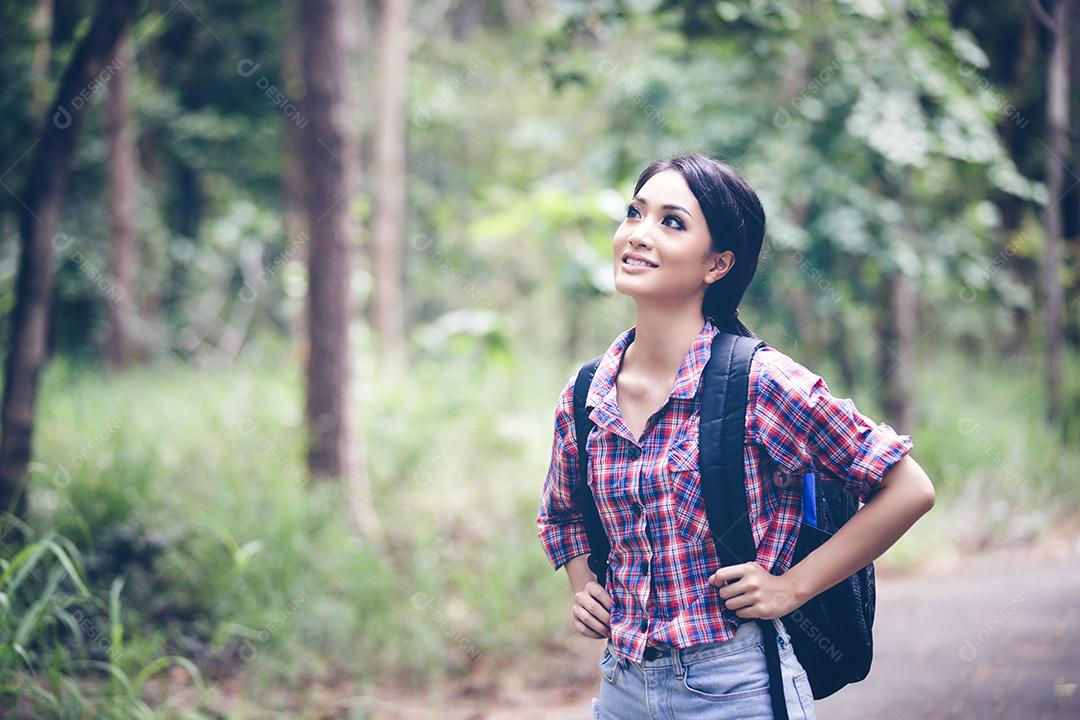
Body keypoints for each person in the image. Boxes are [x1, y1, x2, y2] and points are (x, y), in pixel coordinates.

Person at [535, 153, 936, 719]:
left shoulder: (758, 383)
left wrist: (790, 589)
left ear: (717, 264)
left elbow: (909, 488)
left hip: (735, 688)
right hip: (622, 689)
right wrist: (584, 587)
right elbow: (562, 514)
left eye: (671, 222)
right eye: (635, 213)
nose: (639, 235)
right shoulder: (585, 394)